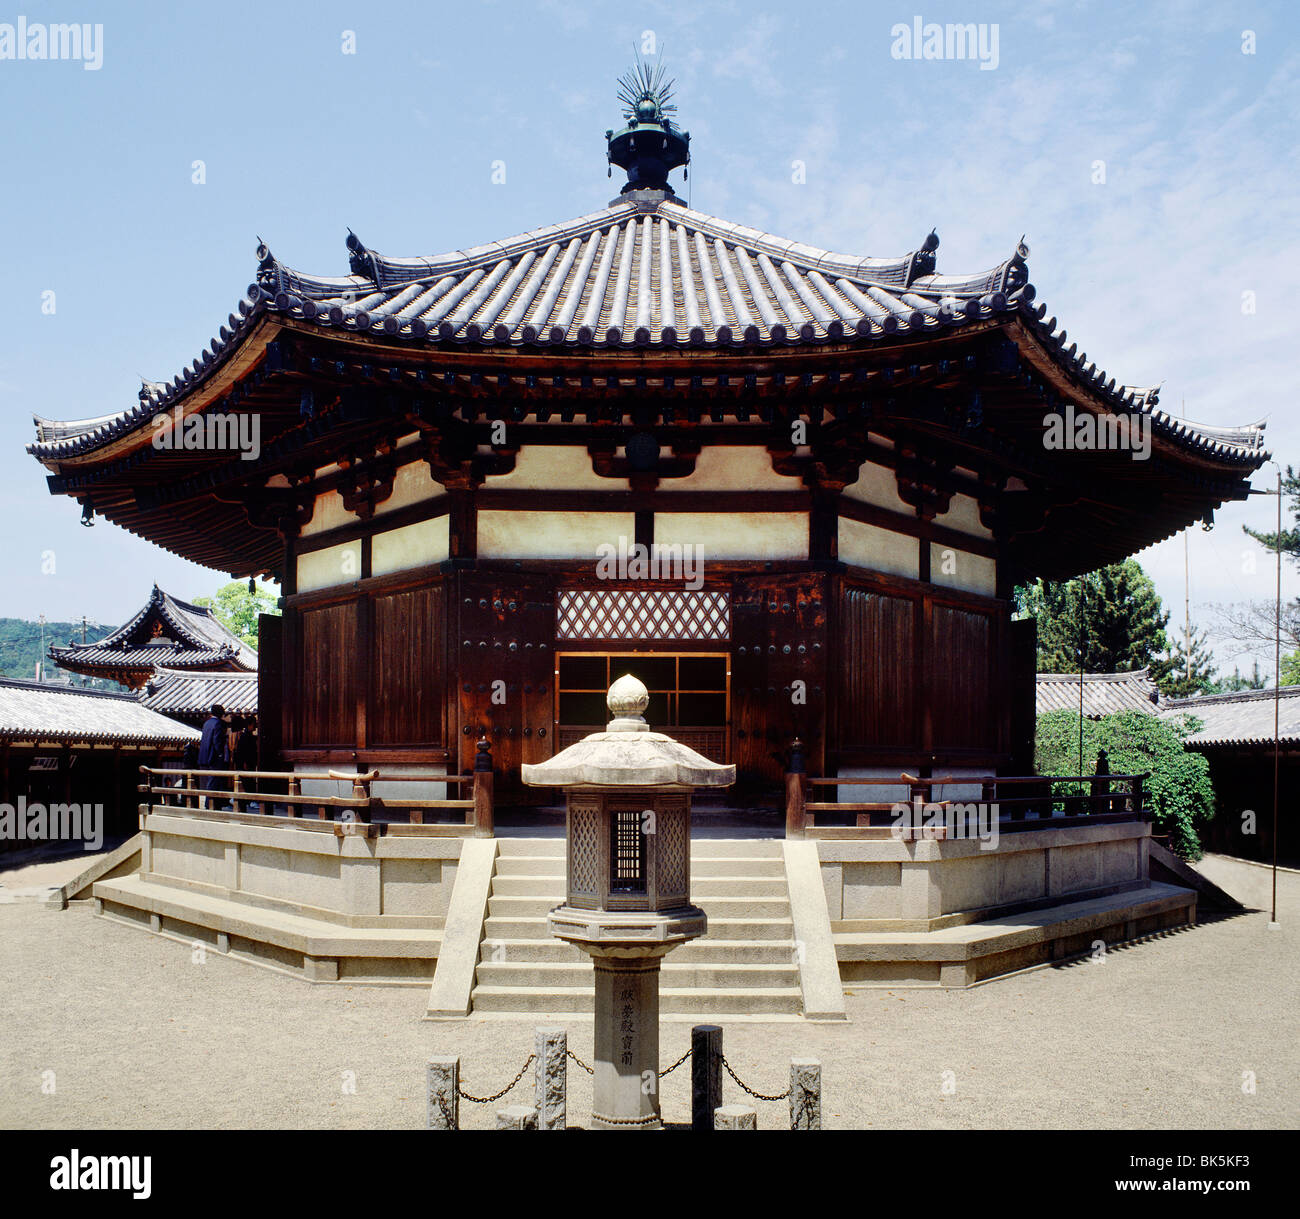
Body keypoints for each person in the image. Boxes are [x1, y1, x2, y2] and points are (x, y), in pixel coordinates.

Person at [197, 704, 230, 808]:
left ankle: (212, 803)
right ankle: (210, 804)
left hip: (204, 756)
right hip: (214, 757)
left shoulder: (206, 723)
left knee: (209, 781)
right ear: (221, 713)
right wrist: (221, 754)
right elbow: (217, 741)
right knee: (214, 781)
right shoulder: (218, 724)